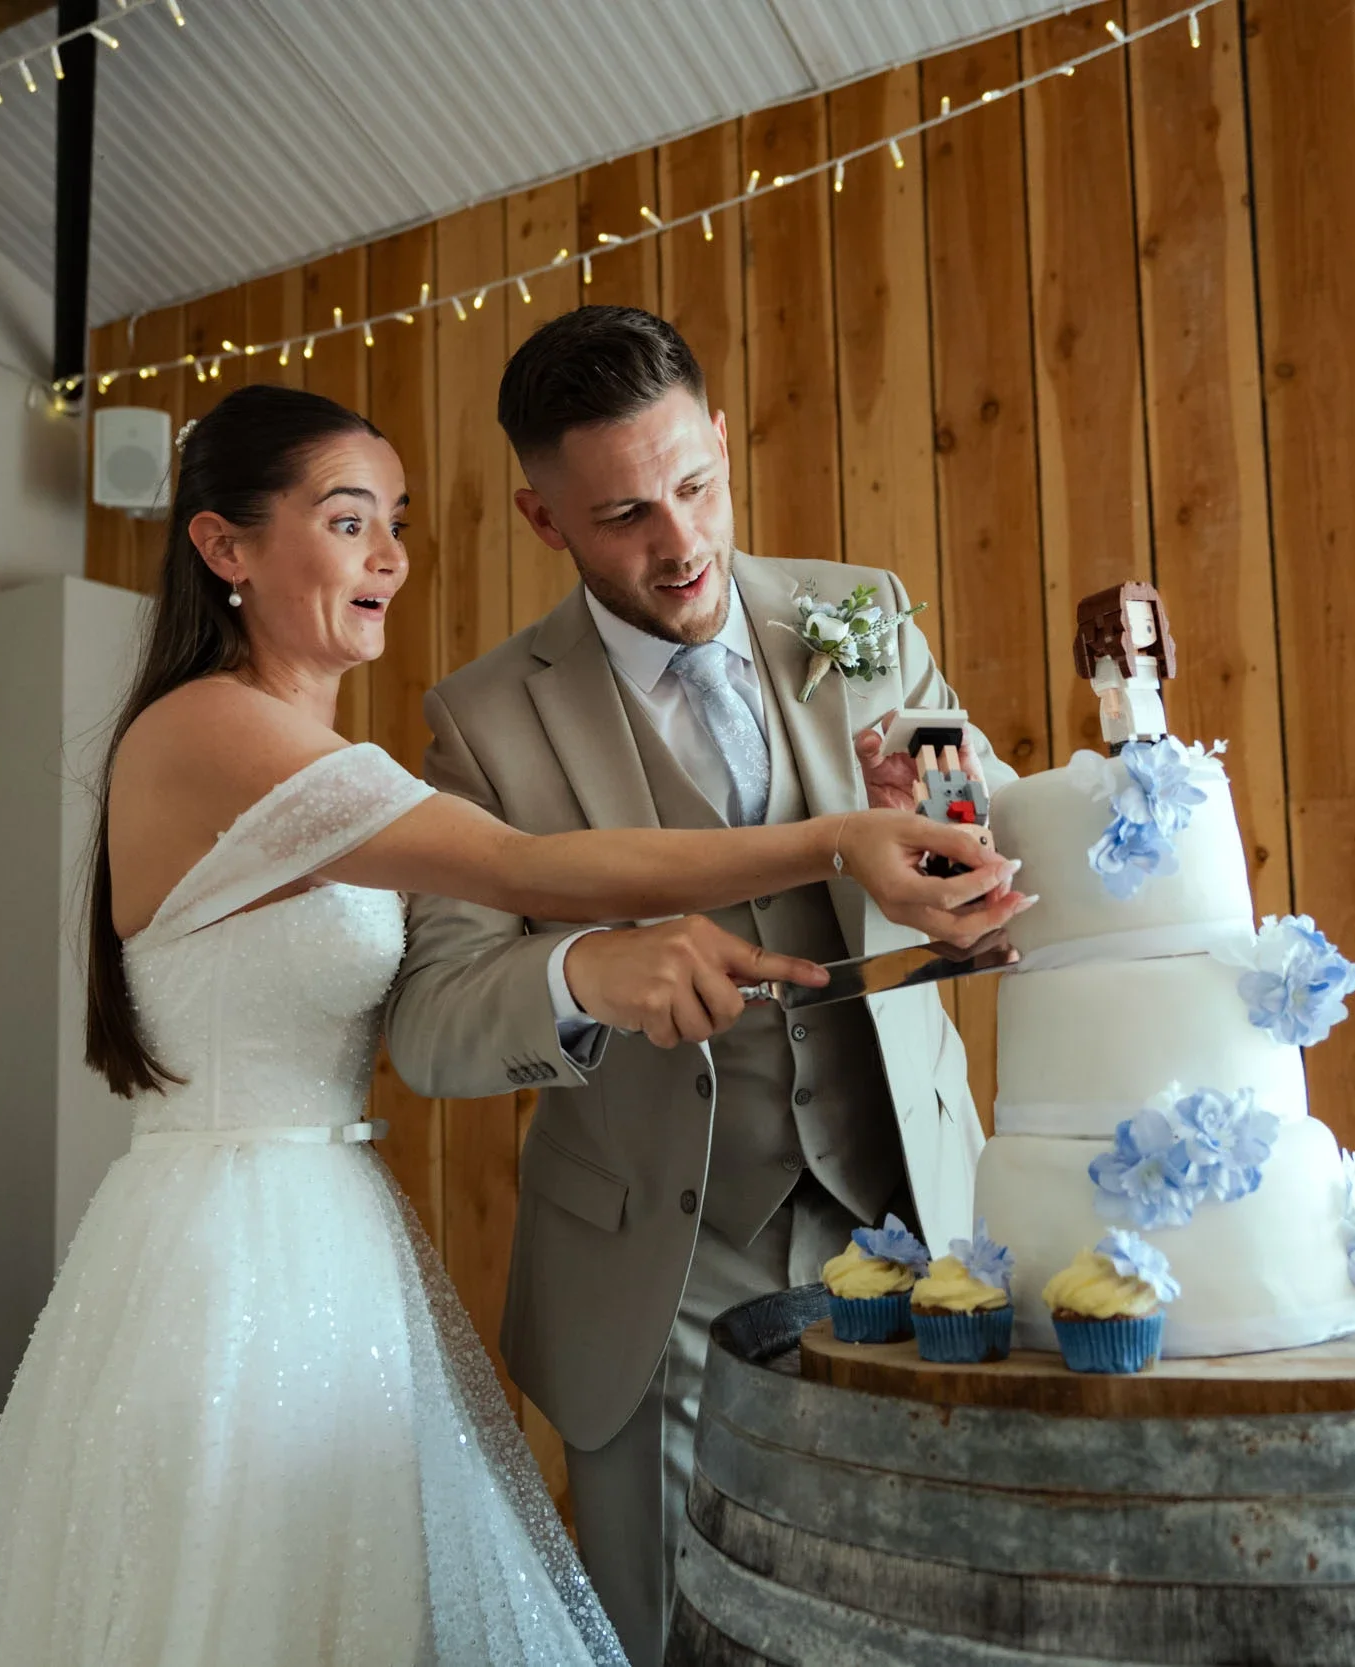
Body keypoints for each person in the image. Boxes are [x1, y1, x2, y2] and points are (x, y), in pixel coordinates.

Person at [0, 381, 1027, 1666]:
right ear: (224, 546)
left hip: (331, 1231)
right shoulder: (215, 729)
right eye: (348, 522)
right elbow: (525, 871)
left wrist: (941, 843)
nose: (390, 553)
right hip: (235, 1255)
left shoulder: (296, 735)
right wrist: (832, 835)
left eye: (393, 519)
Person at [383, 305, 1023, 1663]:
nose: (678, 543)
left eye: (695, 484)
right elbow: (432, 1024)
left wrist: (973, 872)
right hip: (655, 1268)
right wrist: (581, 970)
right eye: (622, 513)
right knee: (673, 1632)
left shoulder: (867, 613)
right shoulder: (486, 720)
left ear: (724, 440)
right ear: (542, 517)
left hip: (915, 1208)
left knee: (929, 1607)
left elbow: (994, 862)